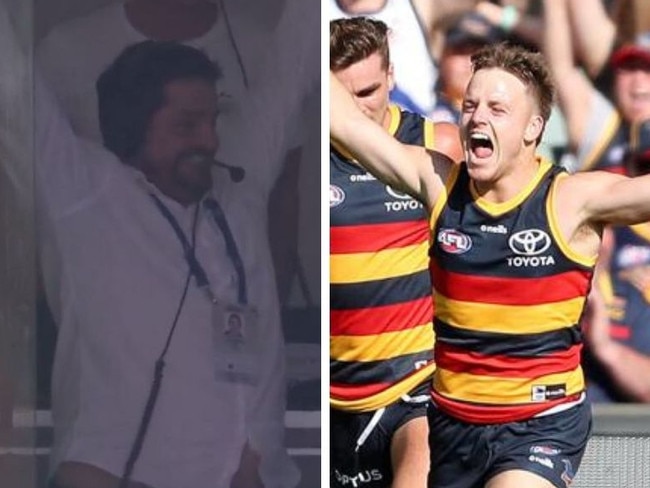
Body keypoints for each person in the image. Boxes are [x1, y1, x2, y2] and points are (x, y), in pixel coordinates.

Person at [331, 41, 650, 488]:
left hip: (541, 424)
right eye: (470, 105)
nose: (477, 117)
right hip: (453, 424)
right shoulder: (439, 183)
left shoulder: (569, 200)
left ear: (533, 127)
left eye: (497, 109)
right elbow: (343, 121)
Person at [31, 39, 293, 488]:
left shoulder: (238, 187)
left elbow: (294, 65)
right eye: (186, 125)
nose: (209, 140)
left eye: (212, 121)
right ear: (134, 127)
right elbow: (13, 84)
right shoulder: (83, 192)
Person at [329, 17, 462, 488]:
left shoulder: (437, 147)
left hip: (414, 386)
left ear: (391, 77)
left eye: (367, 92)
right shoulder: (303, 158)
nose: (358, 110)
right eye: (344, 98)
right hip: (331, 394)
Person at [582, 119, 650, 403]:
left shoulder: (633, 297)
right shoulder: (534, 290)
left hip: (618, 440)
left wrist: (605, 346)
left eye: (601, 225)